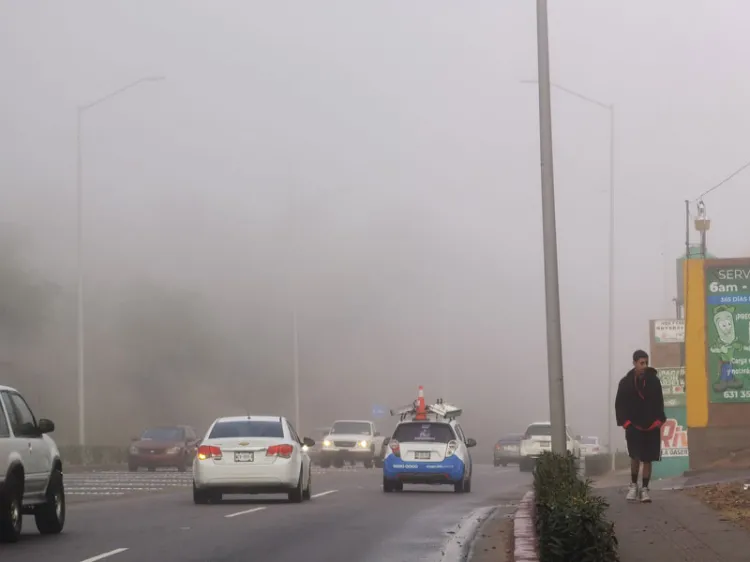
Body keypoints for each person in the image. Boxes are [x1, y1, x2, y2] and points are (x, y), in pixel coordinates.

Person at [615, 349, 666, 503]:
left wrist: (659, 420)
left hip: (651, 426)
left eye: (646, 363)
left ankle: (644, 489)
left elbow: (659, 402)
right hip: (633, 426)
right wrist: (626, 423)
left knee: (648, 458)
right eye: (641, 363)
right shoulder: (625, 383)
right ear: (634, 363)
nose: (644, 366)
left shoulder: (654, 381)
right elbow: (619, 405)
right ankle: (633, 486)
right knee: (635, 456)